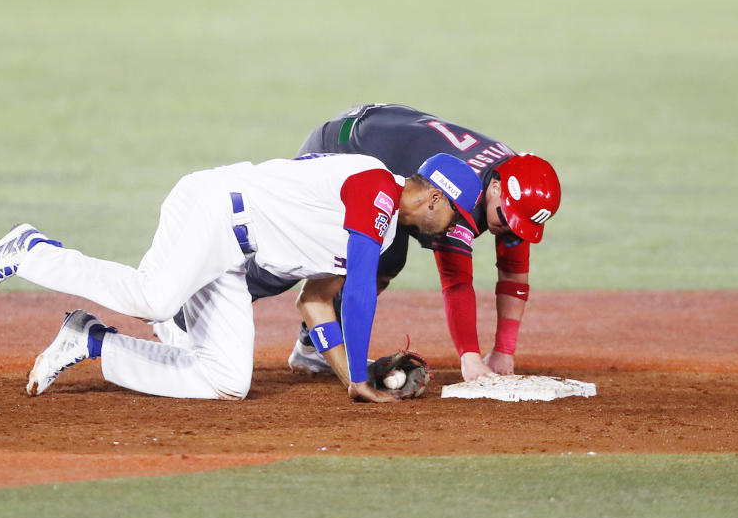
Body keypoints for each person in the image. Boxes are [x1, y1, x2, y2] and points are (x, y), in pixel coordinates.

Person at [0, 152, 483, 403]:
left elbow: (317, 302)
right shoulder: (375, 186)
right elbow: (362, 285)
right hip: (213, 209)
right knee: (155, 299)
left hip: (232, 254)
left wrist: (350, 377)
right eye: (455, 218)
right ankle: (30, 250)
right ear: (434, 197)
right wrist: (366, 380)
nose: (453, 230)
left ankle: (91, 341)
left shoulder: (385, 227)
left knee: (226, 382)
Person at [171, 104, 561, 381]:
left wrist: (504, 351)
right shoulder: (466, 194)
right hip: (348, 144)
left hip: (397, 164)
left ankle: (311, 349)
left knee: (388, 257)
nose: (509, 230)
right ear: (494, 189)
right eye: (506, 221)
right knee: (312, 256)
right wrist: (471, 359)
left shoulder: (513, 190)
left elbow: (513, 269)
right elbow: (456, 280)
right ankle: (179, 315)